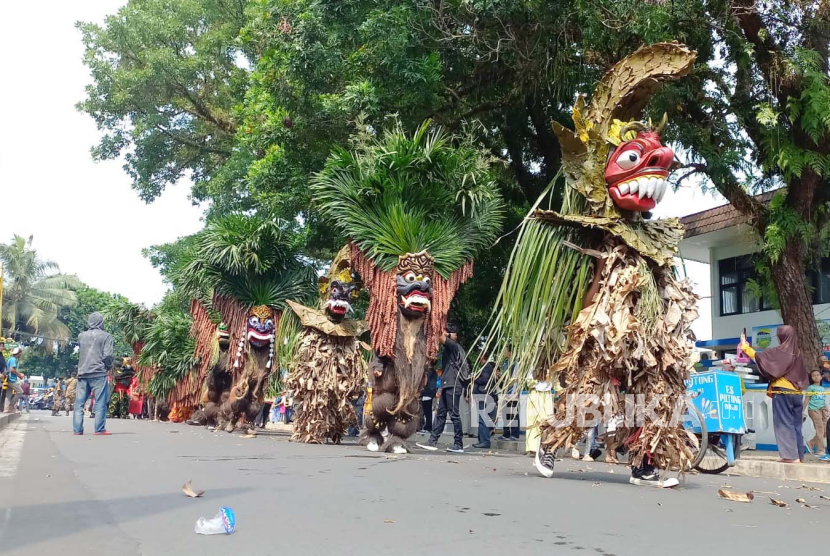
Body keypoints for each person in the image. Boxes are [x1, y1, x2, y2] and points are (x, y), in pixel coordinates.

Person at [739, 325, 808, 463]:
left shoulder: (781, 352)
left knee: (783, 423)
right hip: (797, 393)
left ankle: (790, 456)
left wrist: (744, 346)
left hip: (782, 391)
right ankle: (799, 455)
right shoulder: (797, 352)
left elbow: (760, 358)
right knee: (796, 425)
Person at [417, 324, 469, 453]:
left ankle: (458, 444)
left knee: (454, 415)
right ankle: (432, 441)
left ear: (454, 336)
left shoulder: (455, 347)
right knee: (440, 414)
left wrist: (438, 327)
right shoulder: (450, 348)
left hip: (454, 384)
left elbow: (440, 337)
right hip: (447, 384)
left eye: (450, 332)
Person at [73, 312, 115, 435]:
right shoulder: (106, 336)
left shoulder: (81, 336)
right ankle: (99, 429)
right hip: (98, 373)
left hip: (82, 373)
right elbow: (108, 355)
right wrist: (108, 366)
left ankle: (77, 430)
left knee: (79, 403)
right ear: (101, 322)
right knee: (100, 402)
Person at [472, 357, 499, 449]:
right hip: (484, 395)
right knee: (482, 418)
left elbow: (485, 380)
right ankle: (483, 440)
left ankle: (484, 440)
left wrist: (474, 378)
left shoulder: (486, 367)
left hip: (483, 395)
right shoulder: (487, 367)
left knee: (482, 418)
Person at [805, 370, 829, 459]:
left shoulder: (822, 389)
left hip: (822, 410)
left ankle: (811, 442)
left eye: (818, 375)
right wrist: (803, 411)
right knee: (820, 430)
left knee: (824, 431)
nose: (816, 377)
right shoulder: (811, 387)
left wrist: (827, 409)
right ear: (811, 378)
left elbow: (822, 400)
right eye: (813, 376)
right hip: (814, 410)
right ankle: (820, 450)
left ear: (821, 377)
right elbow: (807, 399)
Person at [5, 347, 26, 414]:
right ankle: (11, 406)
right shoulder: (13, 360)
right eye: (20, 353)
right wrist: (19, 374)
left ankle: (6, 409)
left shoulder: (10, 359)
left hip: (8, 378)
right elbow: (12, 370)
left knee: (8, 394)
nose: (21, 355)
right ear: (18, 353)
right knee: (20, 392)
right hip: (12, 379)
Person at [419, 366, 438, 434]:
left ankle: (428, 426)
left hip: (427, 392)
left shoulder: (429, 372)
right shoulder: (434, 372)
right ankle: (427, 426)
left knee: (427, 412)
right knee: (428, 411)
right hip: (430, 392)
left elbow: (426, 382)